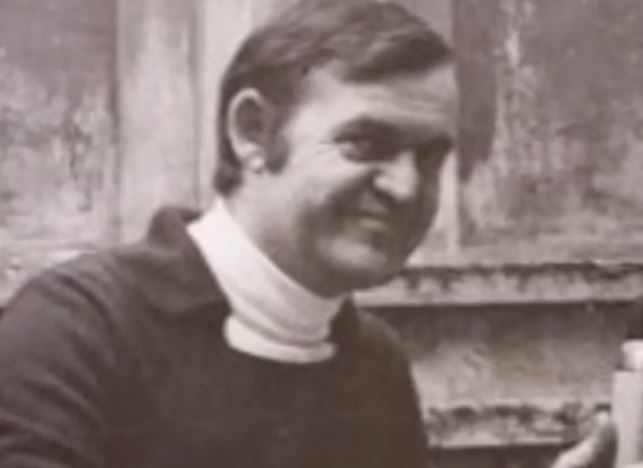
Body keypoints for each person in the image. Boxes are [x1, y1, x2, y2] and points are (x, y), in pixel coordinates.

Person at [0, 0, 618, 467]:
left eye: (430, 158)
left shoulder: (374, 363)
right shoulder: (75, 332)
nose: (407, 187)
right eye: (366, 144)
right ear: (252, 132)